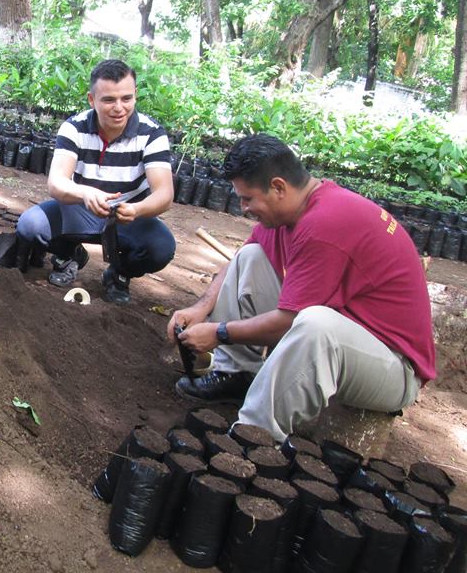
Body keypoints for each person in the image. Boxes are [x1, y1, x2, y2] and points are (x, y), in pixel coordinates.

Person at [168, 134, 435, 441]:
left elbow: (288, 323)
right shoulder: (298, 210)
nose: (243, 208)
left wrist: (218, 333)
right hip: (355, 336)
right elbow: (238, 261)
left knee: (315, 326)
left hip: (394, 368)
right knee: (249, 257)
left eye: (248, 198)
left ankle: (255, 436)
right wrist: (200, 308)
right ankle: (236, 374)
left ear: (279, 187)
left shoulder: (324, 226)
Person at [14, 59, 176, 304]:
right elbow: (56, 182)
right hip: (82, 209)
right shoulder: (74, 128)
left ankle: (119, 273)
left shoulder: (152, 133)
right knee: (31, 226)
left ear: (135, 95)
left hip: (128, 215)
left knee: (161, 248)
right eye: (108, 100)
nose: (119, 108)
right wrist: (85, 194)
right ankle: (70, 255)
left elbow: (164, 194)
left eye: (126, 98)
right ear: (92, 100)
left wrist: (136, 209)